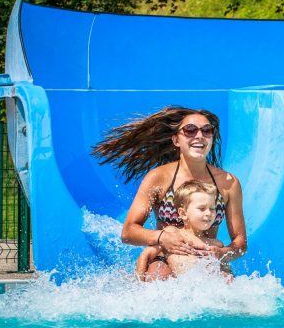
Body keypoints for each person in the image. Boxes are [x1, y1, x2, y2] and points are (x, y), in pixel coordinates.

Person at [92, 106, 247, 280]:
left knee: (226, 288)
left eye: (206, 130)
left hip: (206, 256)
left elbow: (240, 243)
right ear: (176, 140)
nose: (199, 136)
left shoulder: (228, 183)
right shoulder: (158, 178)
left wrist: (222, 253)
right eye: (190, 130)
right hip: (165, 254)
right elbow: (128, 232)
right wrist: (162, 237)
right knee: (158, 279)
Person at [136, 180, 230, 279]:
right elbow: (146, 255)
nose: (208, 213)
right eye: (202, 208)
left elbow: (226, 272)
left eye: (212, 209)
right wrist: (140, 282)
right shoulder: (172, 234)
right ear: (183, 214)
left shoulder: (215, 245)